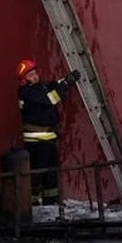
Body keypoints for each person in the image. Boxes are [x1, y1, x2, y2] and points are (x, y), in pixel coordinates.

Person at [17, 59, 80, 205]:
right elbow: (50, 99)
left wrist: (66, 79)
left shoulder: (38, 88)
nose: (35, 76)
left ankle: (50, 202)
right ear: (23, 80)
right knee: (37, 173)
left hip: (49, 138)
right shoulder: (27, 93)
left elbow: (52, 85)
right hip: (36, 142)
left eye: (35, 73)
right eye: (30, 75)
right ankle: (32, 204)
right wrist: (65, 85)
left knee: (51, 172)